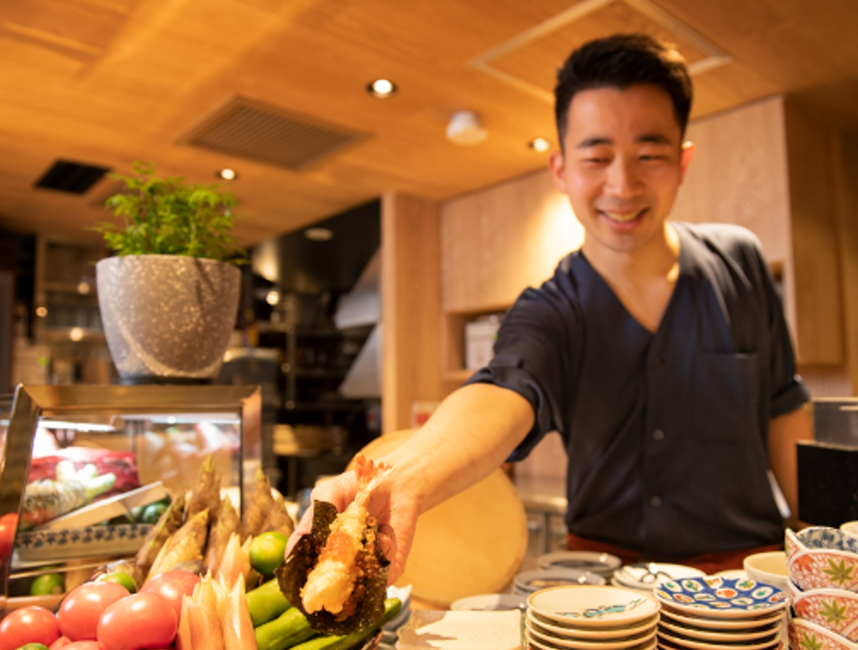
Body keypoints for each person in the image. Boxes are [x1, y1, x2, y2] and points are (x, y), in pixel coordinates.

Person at [288, 34, 812, 583]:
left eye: (649, 155)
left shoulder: (740, 262)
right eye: (597, 156)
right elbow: (502, 392)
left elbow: (784, 411)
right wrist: (400, 480)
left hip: (749, 581)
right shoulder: (553, 309)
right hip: (605, 590)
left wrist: (821, 553)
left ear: (682, 161)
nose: (622, 184)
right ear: (561, 169)